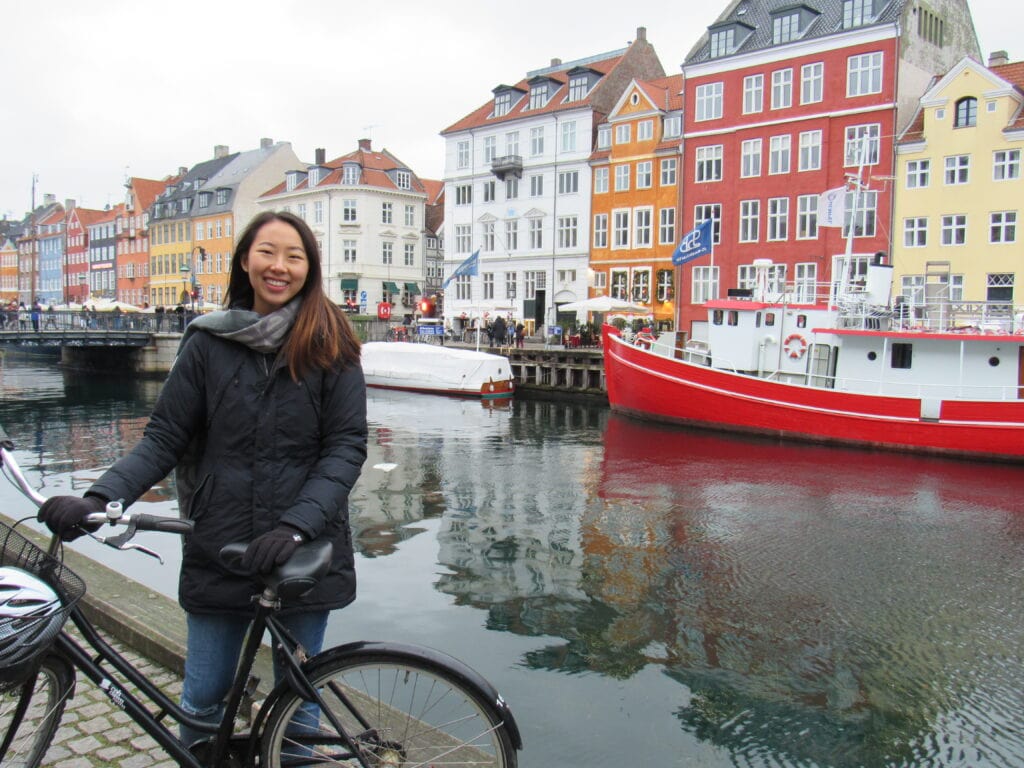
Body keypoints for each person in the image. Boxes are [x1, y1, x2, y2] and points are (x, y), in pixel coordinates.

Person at [37, 210, 368, 748]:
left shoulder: (332, 344)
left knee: (299, 708)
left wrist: (296, 527)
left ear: (310, 267)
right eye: (267, 252)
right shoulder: (208, 344)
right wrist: (99, 496)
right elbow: (164, 438)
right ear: (244, 260)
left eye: (294, 256)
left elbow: (345, 449)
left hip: (306, 550)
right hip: (221, 543)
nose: (279, 266)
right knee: (203, 697)